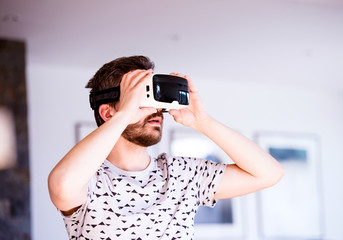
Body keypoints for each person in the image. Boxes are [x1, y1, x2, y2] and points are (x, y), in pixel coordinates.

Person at [48, 55, 284, 240]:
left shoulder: (182, 174)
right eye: (142, 97)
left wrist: (204, 122)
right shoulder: (88, 181)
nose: (155, 109)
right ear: (107, 113)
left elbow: (269, 173)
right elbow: (61, 184)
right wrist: (125, 115)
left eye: (155, 98)